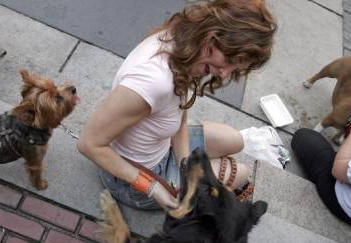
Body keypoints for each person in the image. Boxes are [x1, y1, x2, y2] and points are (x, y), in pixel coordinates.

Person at [78, 0, 277, 210]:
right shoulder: (154, 81)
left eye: (235, 68)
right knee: (241, 172)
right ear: (214, 36)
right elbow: (88, 143)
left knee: (236, 141)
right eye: (229, 60)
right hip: (131, 180)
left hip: (161, 145)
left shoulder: (184, 40)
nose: (225, 73)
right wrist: (154, 188)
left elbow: (180, 118)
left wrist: (186, 168)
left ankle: (198, 183)